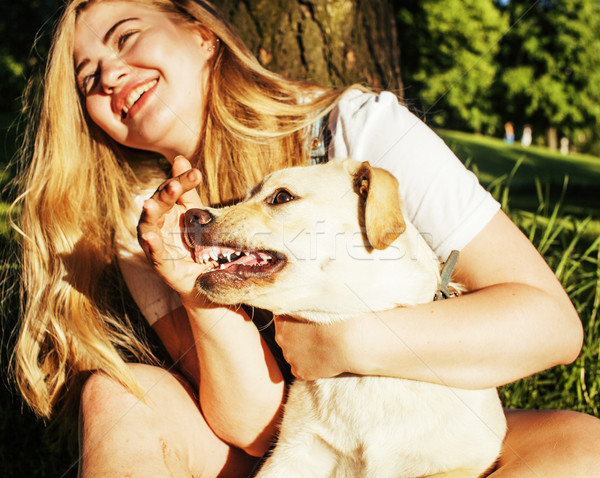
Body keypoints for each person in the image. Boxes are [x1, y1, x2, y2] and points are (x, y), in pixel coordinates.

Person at [12, 1, 600, 476]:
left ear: (200, 34)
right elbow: (256, 428)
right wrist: (196, 290)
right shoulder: (142, 221)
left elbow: (550, 326)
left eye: (125, 37)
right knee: (119, 398)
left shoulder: (356, 131)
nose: (109, 74)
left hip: (432, 428)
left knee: (584, 451)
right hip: (297, 449)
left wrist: (344, 342)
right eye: (88, 78)